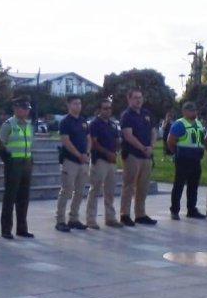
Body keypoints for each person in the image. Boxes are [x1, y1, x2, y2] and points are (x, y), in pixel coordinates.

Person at [119, 89, 157, 226]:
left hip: (146, 156)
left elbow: (153, 132)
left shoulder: (146, 114)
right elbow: (128, 135)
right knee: (129, 186)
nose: (139, 100)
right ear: (129, 99)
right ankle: (125, 214)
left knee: (143, 186)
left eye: (140, 97)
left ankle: (140, 214)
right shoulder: (126, 115)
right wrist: (142, 148)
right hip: (132, 155)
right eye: (135, 98)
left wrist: (151, 147)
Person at [0, 96, 35, 239]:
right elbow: (1, 143)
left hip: (26, 162)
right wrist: (7, 159)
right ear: (15, 109)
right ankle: (6, 229)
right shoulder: (8, 124)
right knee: (10, 196)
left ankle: (22, 228)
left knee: (23, 197)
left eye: (28, 109)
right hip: (13, 162)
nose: (26, 111)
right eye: (23, 108)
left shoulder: (28, 125)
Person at [85, 98, 122, 229]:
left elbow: (117, 139)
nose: (108, 111)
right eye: (105, 108)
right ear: (99, 110)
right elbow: (94, 142)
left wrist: (117, 149)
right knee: (95, 190)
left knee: (110, 191)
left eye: (109, 108)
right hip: (100, 160)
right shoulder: (95, 124)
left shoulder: (112, 124)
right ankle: (91, 219)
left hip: (112, 160)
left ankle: (110, 217)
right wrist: (107, 153)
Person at [55, 95, 90, 232]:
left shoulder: (83, 121)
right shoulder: (65, 122)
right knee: (66, 191)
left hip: (83, 162)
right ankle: (60, 220)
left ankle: (74, 218)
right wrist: (78, 154)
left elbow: (88, 139)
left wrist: (86, 153)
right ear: (69, 105)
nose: (78, 106)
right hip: (70, 161)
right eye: (75, 103)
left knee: (80, 191)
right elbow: (65, 140)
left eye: (80, 103)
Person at [167, 101, 206, 220]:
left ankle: (191, 209)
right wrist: (176, 152)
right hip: (183, 159)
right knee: (179, 185)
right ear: (184, 112)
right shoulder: (179, 124)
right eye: (191, 110)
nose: (194, 112)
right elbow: (170, 141)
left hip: (196, 159)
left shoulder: (198, 124)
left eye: (195, 110)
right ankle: (174, 210)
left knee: (193, 186)